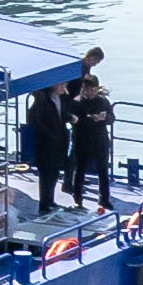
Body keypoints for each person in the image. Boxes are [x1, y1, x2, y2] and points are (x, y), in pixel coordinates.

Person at [59, 50, 118, 214]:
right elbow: (75, 120)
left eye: (95, 90)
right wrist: (92, 118)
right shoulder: (76, 103)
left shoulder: (103, 101)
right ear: (83, 88)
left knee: (103, 173)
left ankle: (105, 199)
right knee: (79, 171)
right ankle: (77, 200)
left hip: (100, 141)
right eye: (90, 90)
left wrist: (105, 119)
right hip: (82, 141)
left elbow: (112, 117)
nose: (92, 93)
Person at [19, 80, 71, 213]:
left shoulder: (61, 99)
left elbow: (62, 116)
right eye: (61, 85)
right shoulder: (42, 101)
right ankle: (44, 204)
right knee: (46, 175)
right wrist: (48, 133)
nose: (63, 88)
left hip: (59, 142)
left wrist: (70, 118)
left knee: (54, 173)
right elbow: (34, 119)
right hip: (45, 144)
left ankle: (50, 201)